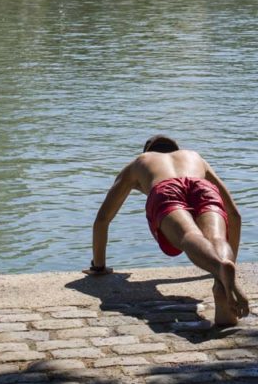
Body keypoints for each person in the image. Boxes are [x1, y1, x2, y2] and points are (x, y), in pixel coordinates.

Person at [85, 135, 249, 326]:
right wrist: (231, 264)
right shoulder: (194, 157)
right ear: (175, 150)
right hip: (201, 186)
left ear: (147, 151)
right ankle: (223, 272)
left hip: (166, 191)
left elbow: (102, 219)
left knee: (190, 235)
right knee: (216, 237)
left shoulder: (140, 161)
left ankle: (220, 268)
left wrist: (99, 267)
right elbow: (235, 215)